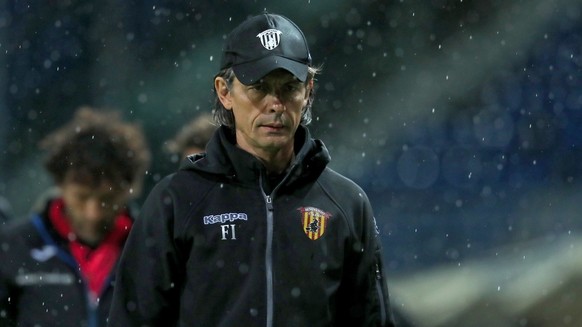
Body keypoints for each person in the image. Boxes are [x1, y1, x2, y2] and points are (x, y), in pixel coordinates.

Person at [109, 12, 396, 327]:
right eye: (259, 88)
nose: (275, 104)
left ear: (309, 91)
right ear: (224, 92)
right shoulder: (176, 202)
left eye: (289, 87)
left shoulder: (348, 204)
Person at [0, 107, 151, 327]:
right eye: (81, 198)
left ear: (129, 189)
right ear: (60, 184)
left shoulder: (152, 249)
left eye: (106, 200)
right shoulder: (12, 246)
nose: (93, 213)